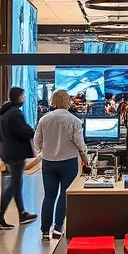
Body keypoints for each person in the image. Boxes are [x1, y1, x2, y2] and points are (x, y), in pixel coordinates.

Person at [34, 90, 88, 241]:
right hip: (68, 162)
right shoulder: (74, 121)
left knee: (49, 196)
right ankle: (58, 228)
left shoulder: (44, 120)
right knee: (64, 194)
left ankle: (45, 231)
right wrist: (85, 157)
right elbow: (80, 144)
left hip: (48, 163)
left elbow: (36, 142)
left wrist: (45, 151)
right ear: (68, 102)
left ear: (53, 101)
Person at [0, 87, 38, 229]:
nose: (24, 98)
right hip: (16, 153)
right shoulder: (15, 113)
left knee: (17, 183)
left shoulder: (3, 113)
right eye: (22, 95)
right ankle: (0, 215)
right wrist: (36, 131)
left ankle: (22, 213)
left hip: (7, 152)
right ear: (17, 97)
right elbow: (23, 131)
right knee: (14, 184)